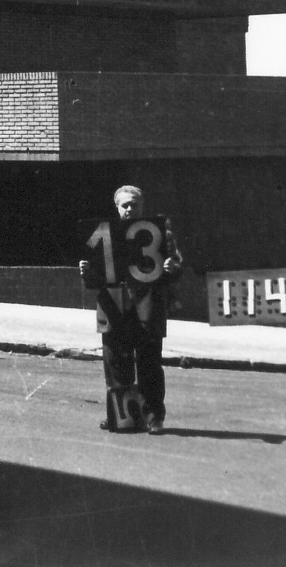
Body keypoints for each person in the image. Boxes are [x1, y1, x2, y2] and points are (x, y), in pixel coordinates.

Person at [79, 184, 183, 434]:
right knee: (116, 365)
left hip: (148, 307)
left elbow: (176, 266)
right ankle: (121, 416)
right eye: (124, 205)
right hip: (113, 308)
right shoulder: (101, 234)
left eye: (134, 205)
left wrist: (172, 267)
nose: (129, 209)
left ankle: (153, 417)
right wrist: (86, 271)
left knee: (149, 365)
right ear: (116, 207)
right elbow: (93, 277)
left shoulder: (161, 232)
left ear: (142, 206)